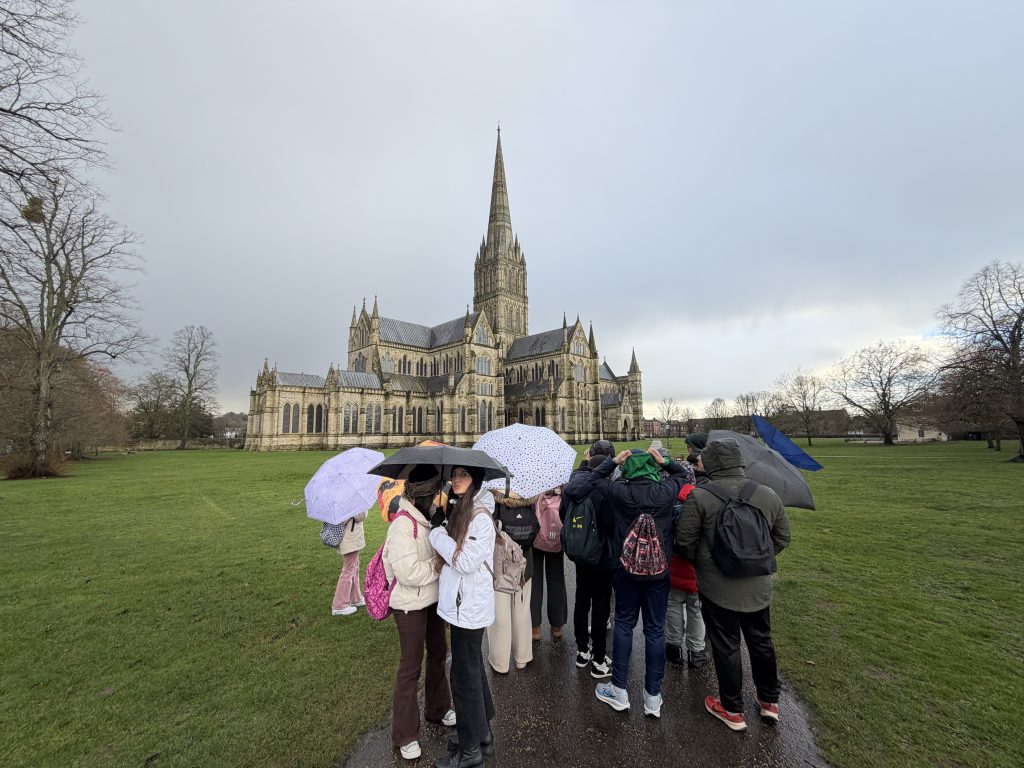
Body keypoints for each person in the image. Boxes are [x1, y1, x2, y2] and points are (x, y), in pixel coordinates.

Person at [674, 438, 792, 732]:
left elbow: (684, 541)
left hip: (718, 585)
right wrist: (755, 560)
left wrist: (709, 563)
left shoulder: (701, 496)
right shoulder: (766, 493)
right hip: (757, 586)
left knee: (726, 645)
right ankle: (769, 701)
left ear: (711, 464)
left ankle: (732, 708)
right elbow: (782, 537)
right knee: (761, 640)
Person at [579, 447, 694, 717]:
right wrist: (664, 460)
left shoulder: (621, 492)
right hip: (658, 571)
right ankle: (653, 697)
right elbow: (682, 475)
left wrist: (613, 461)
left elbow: (594, 479)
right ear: (653, 469)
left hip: (626, 570)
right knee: (654, 631)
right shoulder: (665, 491)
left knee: (624, 625)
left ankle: (619, 690)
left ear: (628, 469)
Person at [382, 465, 456, 760]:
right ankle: (405, 734)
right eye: (437, 491)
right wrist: (438, 565)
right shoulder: (402, 525)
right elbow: (409, 572)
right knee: (410, 665)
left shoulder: (429, 519)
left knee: (438, 653)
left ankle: (438, 708)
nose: (441, 496)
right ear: (426, 494)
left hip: (432, 600)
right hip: (409, 604)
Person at [428, 465, 497, 768]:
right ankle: (481, 733)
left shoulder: (480, 517)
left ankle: (470, 752)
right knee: (471, 669)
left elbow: (466, 561)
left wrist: (436, 534)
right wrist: (444, 518)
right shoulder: (465, 507)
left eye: (464, 475)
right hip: (464, 603)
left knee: (463, 676)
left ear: (476, 480)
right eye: (454, 474)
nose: (456, 479)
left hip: (467, 605)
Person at [562, 439, 618, 678]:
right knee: (601, 605)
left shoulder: (574, 483)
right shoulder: (607, 486)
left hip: (581, 553)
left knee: (582, 600)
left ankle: (582, 651)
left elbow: (564, 513)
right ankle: (598, 661)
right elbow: (611, 522)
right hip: (603, 555)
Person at [487, 489, 540, 673]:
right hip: (525, 563)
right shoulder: (531, 497)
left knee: (500, 614)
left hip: (500, 564)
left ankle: (500, 662)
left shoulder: (492, 500)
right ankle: (522, 657)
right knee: (522, 610)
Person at [530, 486, 567, 640]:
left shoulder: (532, 482)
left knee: (534, 581)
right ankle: (557, 626)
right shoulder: (562, 481)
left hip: (535, 537)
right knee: (556, 580)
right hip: (557, 537)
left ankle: (535, 628)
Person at [332, 510, 367, 616]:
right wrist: (363, 508)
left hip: (349, 538)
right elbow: (360, 516)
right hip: (350, 539)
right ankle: (339, 605)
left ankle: (356, 597)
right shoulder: (350, 502)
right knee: (348, 570)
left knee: (354, 567)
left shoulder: (341, 501)